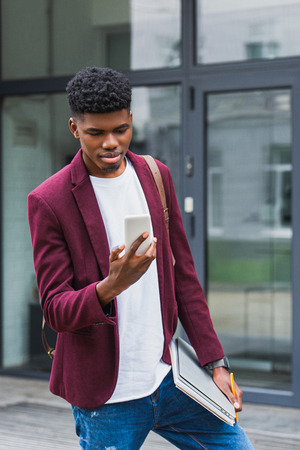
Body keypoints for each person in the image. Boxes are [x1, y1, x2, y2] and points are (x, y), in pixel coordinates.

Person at [28, 67, 253, 449]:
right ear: (74, 129)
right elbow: (54, 310)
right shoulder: (50, 201)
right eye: (96, 133)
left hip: (170, 380)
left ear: (131, 119)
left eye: (120, 129)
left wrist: (215, 361)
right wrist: (109, 287)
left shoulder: (155, 175)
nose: (111, 143)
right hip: (106, 400)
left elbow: (184, 279)